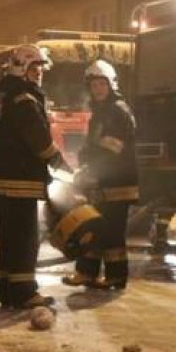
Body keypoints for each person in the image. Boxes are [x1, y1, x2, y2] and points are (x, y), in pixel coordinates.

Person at [0, 44, 69, 309]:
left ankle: (8, 291)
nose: (39, 73)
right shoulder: (25, 100)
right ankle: (24, 293)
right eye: (35, 68)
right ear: (22, 68)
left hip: (4, 180)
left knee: (9, 238)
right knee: (24, 238)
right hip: (20, 180)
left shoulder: (12, 97)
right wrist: (59, 161)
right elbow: (39, 140)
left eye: (41, 68)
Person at [62, 59, 138, 290]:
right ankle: (87, 272)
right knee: (93, 227)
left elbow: (112, 148)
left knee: (113, 232)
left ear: (111, 85)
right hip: (102, 181)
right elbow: (92, 146)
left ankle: (116, 276)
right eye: (94, 86)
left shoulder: (117, 111)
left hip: (117, 183)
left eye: (101, 85)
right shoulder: (101, 112)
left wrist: (90, 169)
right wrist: (85, 163)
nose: (97, 89)